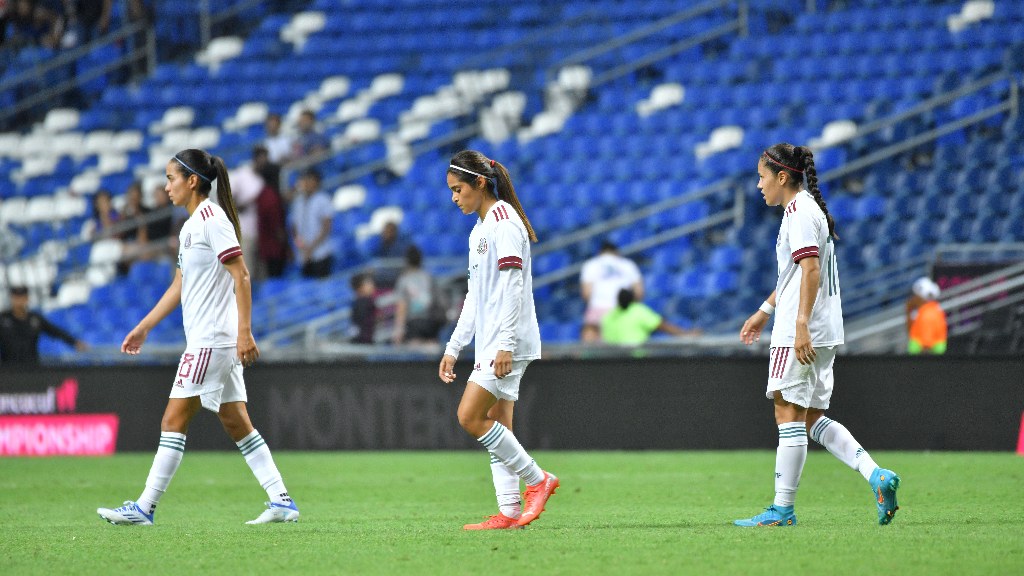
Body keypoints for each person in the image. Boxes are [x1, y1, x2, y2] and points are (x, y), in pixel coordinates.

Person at [97, 148, 299, 526]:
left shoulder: (212, 219)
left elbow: (241, 275)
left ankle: (144, 507)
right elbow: (180, 284)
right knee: (236, 420)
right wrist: (144, 326)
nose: (166, 185)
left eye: (171, 178)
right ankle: (281, 499)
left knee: (173, 419)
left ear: (192, 181)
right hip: (213, 340)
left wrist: (245, 333)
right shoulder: (189, 226)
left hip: (212, 340)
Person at [735, 143, 900, 528]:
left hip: (804, 328)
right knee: (811, 417)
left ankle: (782, 509)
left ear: (781, 177)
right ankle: (876, 475)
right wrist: (764, 310)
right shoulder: (807, 209)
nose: (758, 186)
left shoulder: (799, 212)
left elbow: (810, 271)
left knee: (786, 412)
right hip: (824, 327)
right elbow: (795, 274)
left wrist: (799, 325)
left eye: (762, 177)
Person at [438, 150, 558, 530]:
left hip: (507, 340)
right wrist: (454, 346)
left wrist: (504, 343)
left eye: (458, 189)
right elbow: (476, 294)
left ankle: (539, 480)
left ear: (479, 183)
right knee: (497, 423)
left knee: (469, 416)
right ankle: (508, 511)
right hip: (494, 340)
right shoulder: (479, 228)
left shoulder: (504, 223)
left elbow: (512, 284)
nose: (454, 198)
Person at [0, 285, 88, 366]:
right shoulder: (3, 319)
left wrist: (74, 342)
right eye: (16, 298)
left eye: (21, 297)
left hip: (31, 367)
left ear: (27, 299)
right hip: (8, 368)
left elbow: (55, 331)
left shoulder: (34, 319)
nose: (18, 301)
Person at [580, 240, 643, 342]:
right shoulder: (628, 265)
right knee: (620, 347)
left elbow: (586, 293)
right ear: (617, 252)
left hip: (597, 309)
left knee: (594, 349)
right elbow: (639, 292)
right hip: (621, 311)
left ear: (600, 253)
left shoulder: (591, 265)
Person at [600, 288, 694, 345]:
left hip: (613, 360)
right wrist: (685, 335)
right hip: (636, 359)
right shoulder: (637, 310)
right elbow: (663, 326)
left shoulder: (608, 316)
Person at [288, 167, 334, 278]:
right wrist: (300, 245)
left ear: (316, 182)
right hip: (303, 254)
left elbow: (326, 227)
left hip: (320, 253)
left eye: (309, 180)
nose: (306, 183)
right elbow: (294, 228)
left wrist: (311, 248)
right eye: (305, 180)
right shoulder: (298, 201)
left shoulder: (323, 199)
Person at [392, 245, 442, 344]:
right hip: (430, 321)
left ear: (407, 261)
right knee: (431, 353)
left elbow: (402, 306)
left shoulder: (404, 280)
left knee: (416, 355)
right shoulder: (429, 277)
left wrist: (399, 330)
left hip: (414, 322)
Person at [906, 277, 947, 355]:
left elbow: (926, 345)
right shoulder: (931, 310)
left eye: (915, 295)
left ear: (921, 297)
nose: (913, 298)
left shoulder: (927, 315)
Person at [350, 272, 376, 344]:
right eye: (368, 284)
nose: (372, 286)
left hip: (364, 339)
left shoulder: (364, 301)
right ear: (360, 287)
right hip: (362, 341)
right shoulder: (363, 302)